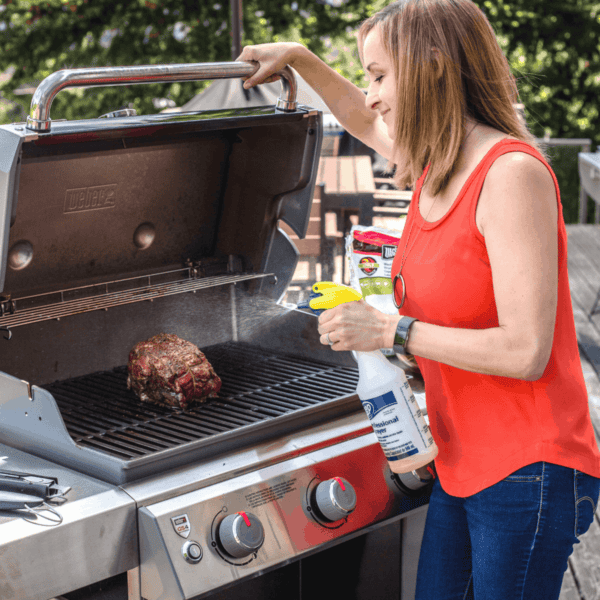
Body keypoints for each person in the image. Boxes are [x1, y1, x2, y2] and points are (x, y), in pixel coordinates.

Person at [238, 1, 600, 598]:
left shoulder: (509, 175)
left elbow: (526, 350)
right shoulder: (436, 164)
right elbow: (357, 113)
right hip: (462, 461)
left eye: (381, 75)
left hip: (528, 471)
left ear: (431, 67)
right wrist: (300, 59)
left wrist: (391, 332)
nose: (372, 93)